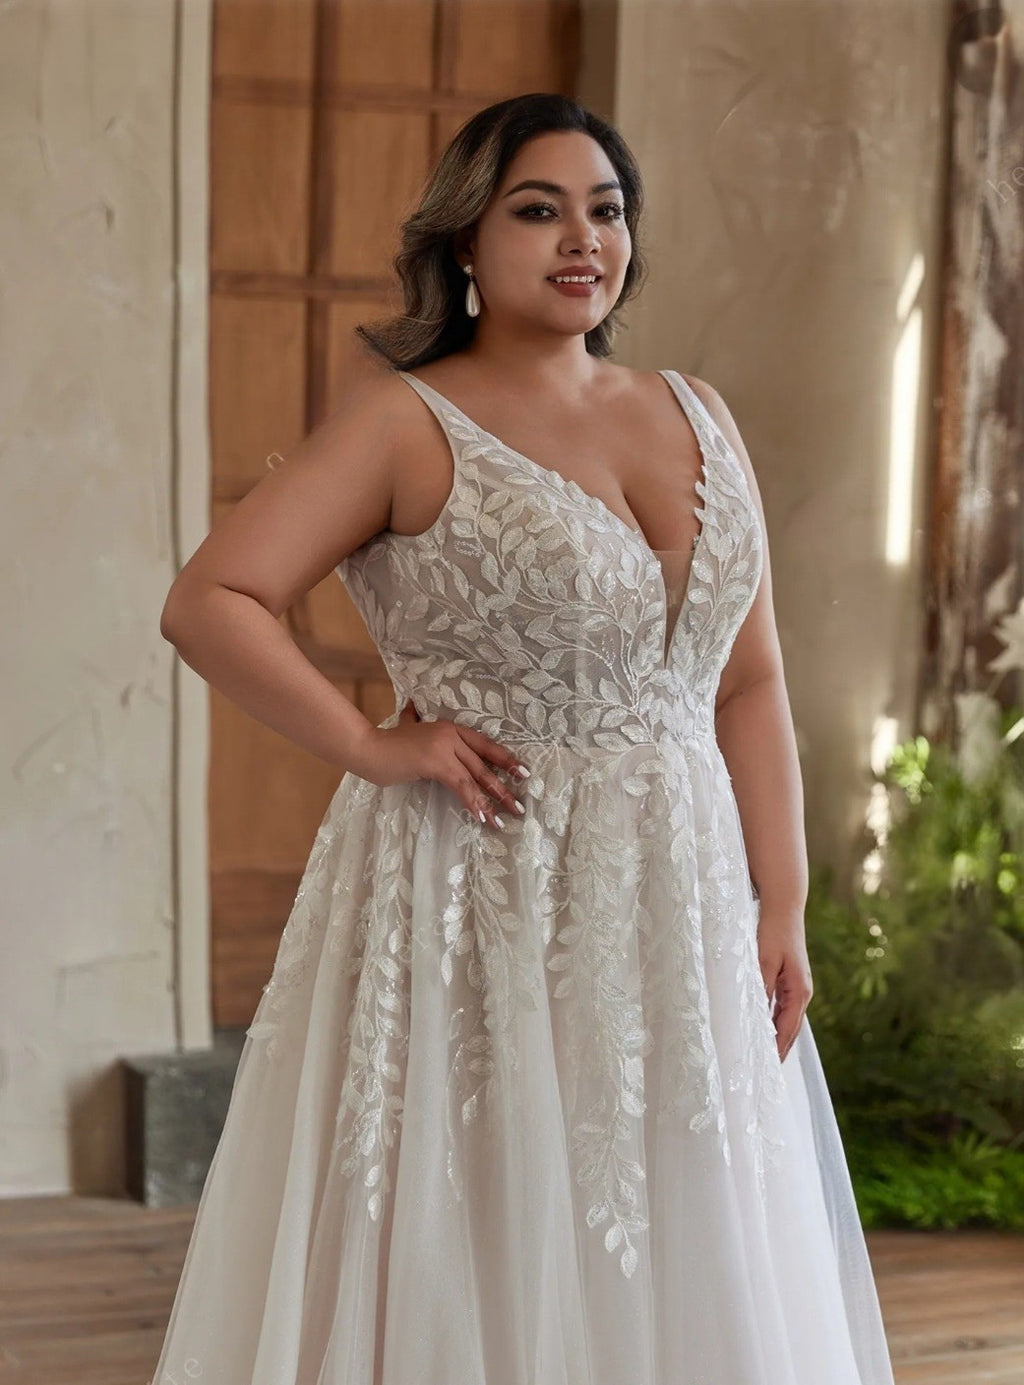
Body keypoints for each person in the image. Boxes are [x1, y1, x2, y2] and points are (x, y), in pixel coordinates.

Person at [153, 92, 895, 1385]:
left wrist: (782, 896)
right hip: (485, 885)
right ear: (466, 242)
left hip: (678, 894)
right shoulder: (405, 422)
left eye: (605, 210)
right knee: (491, 1210)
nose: (581, 238)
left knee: (680, 1205)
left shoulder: (698, 410)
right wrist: (375, 745)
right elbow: (210, 600)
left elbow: (748, 680)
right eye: (538, 210)